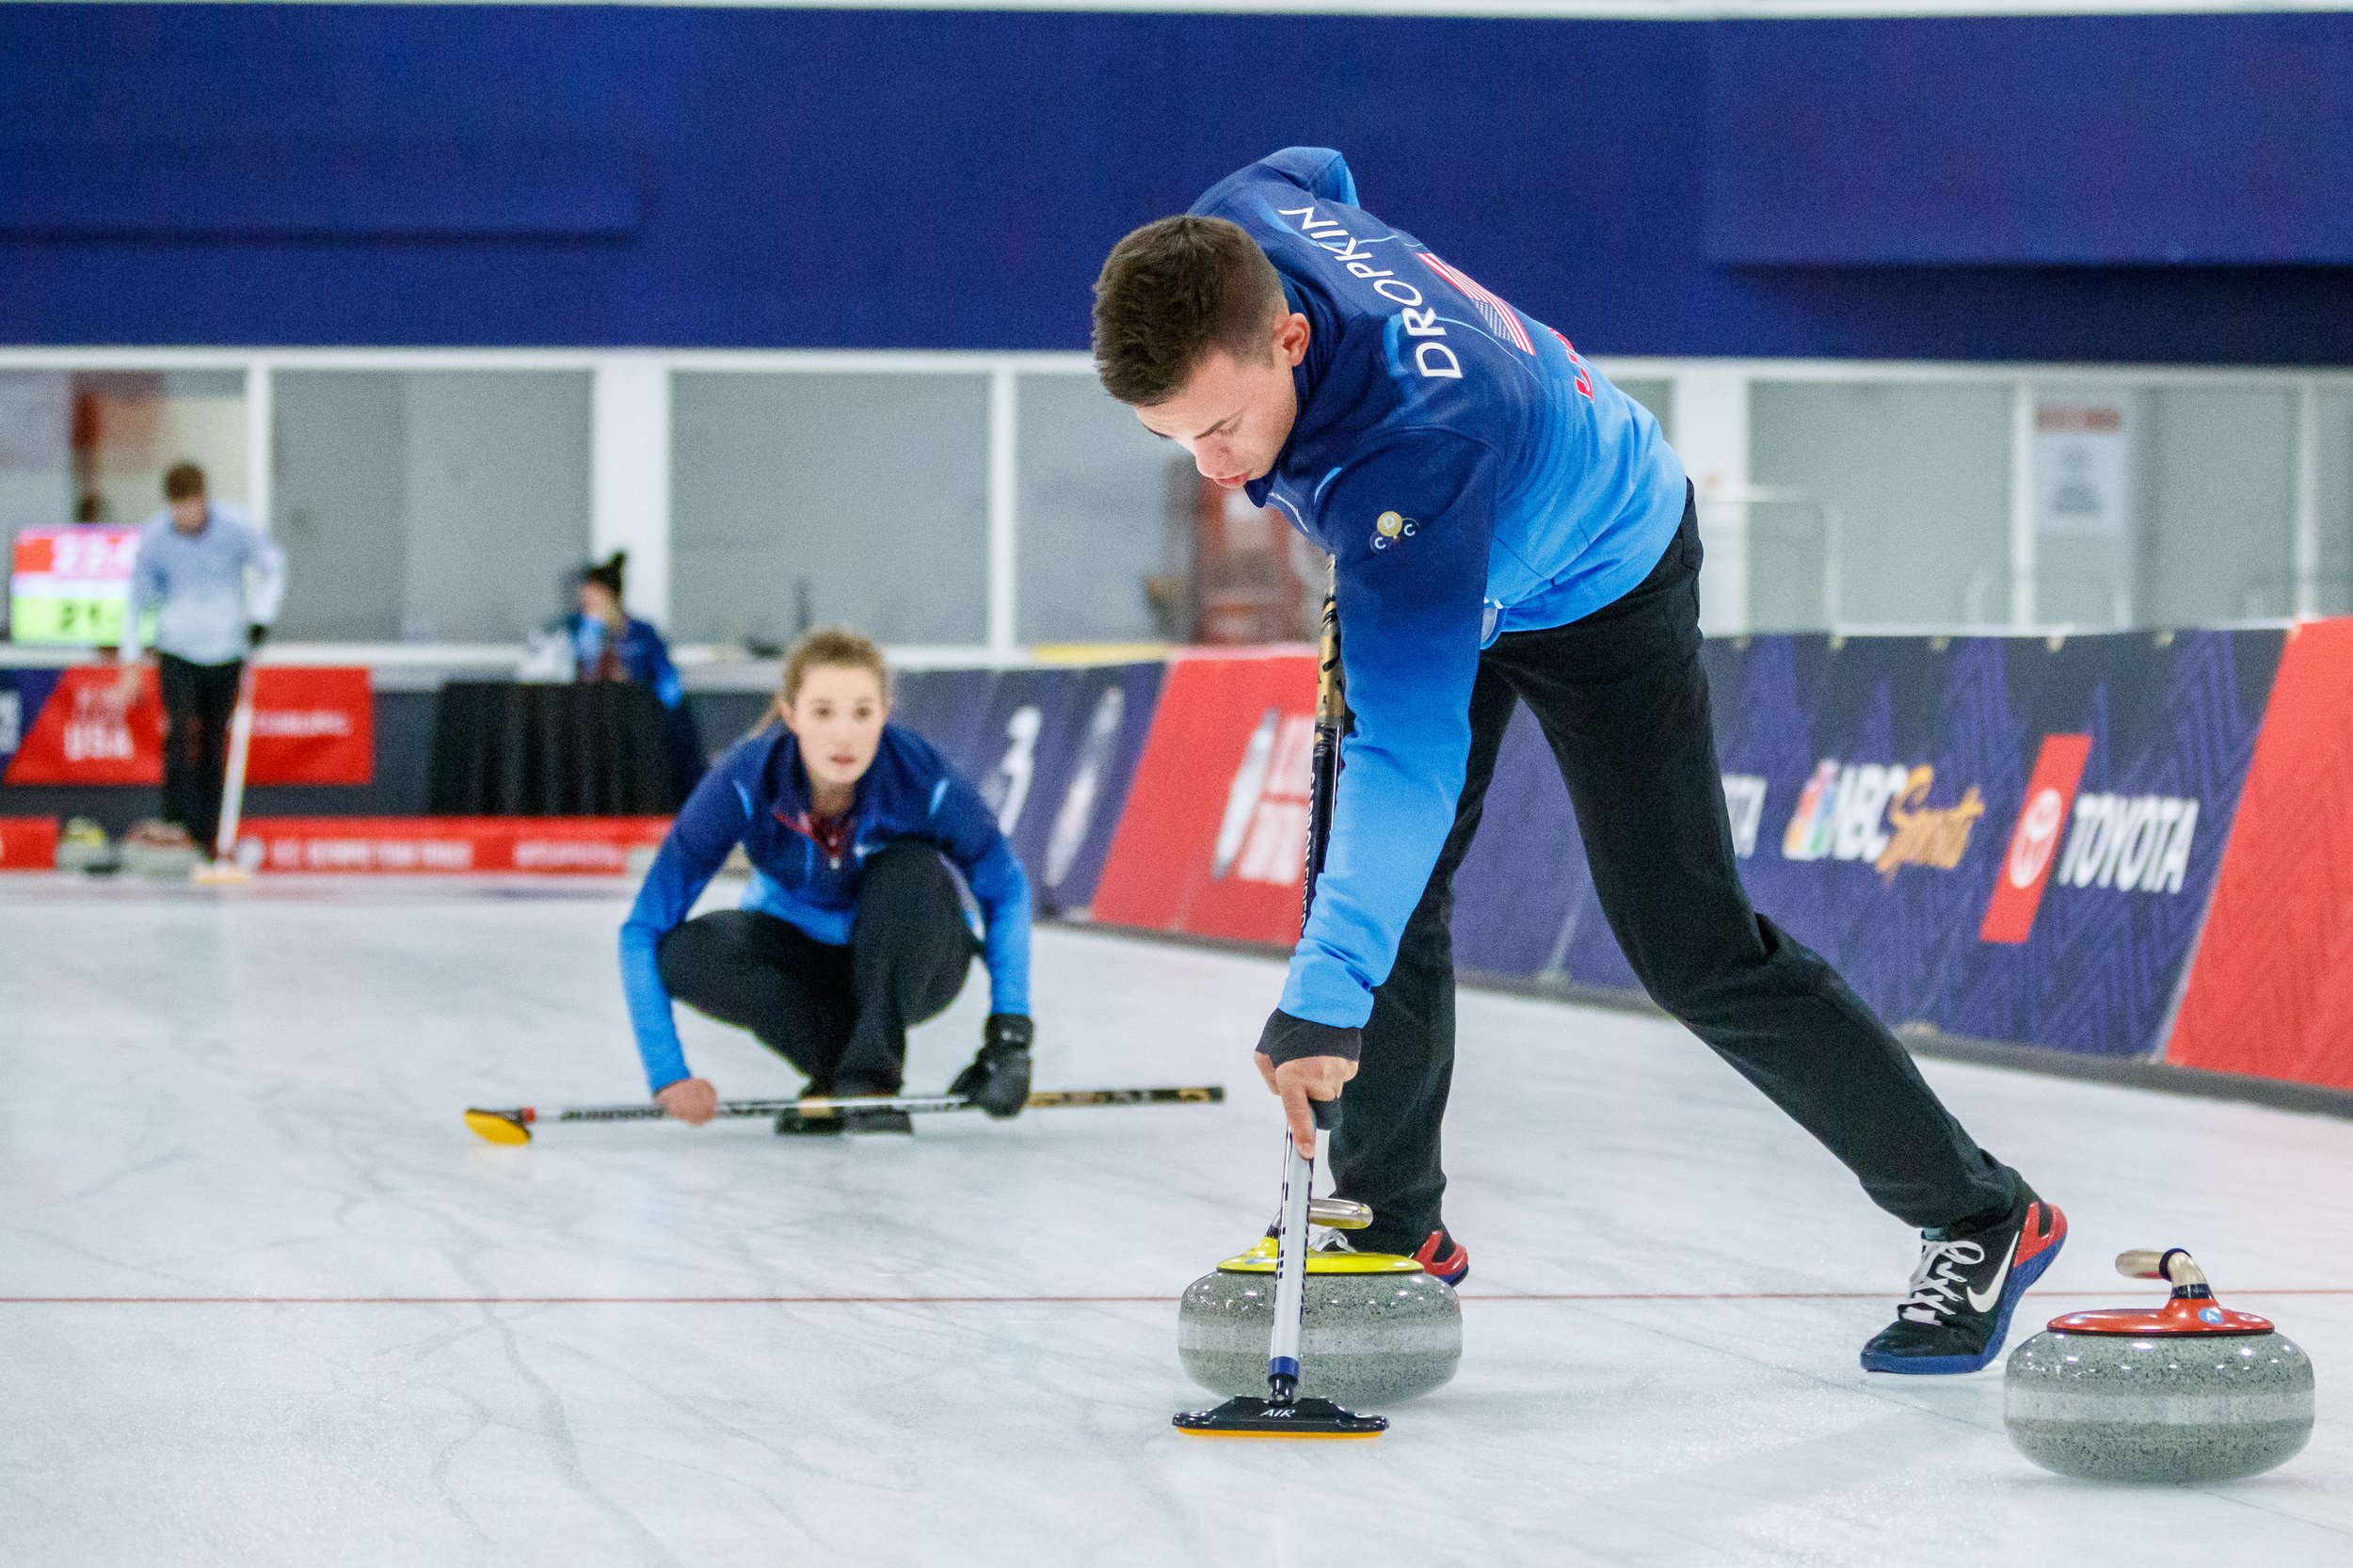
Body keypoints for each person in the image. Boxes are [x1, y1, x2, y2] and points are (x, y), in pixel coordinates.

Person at [1090, 148, 2067, 1374]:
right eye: (1176, 439)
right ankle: (1391, 1223)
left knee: (1688, 942)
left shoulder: (1406, 457)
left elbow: (1408, 759)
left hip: (1602, 566)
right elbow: (1314, 167)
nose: (1218, 473)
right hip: (1461, 550)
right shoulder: (1243, 218)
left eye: (1223, 428)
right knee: (1376, 882)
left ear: (1289, 338)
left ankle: (1983, 1211)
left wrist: (1324, 993)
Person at [618, 628, 1034, 1135]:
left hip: (914, 961)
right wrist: (668, 1074)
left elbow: (1006, 887)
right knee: (683, 952)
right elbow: (642, 928)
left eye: (862, 712)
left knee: (910, 871)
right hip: (808, 972)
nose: (844, 735)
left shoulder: (923, 777)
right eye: (822, 712)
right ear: (790, 715)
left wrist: (1009, 1034)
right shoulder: (744, 780)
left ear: (884, 713)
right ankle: (842, 1079)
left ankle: (868, 1082)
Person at [113, 461, 286, 856]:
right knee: (177, 736)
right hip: (177, 649)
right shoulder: (156, 536)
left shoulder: (236, 527)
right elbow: (135, 601)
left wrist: (261, 617)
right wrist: (130, 662)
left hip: (226, 651)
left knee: (212, 742)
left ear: (203, 500)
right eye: (177, 509)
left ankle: (209, 836)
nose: (184, 518)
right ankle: (174, 831)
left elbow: (275, 566)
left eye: (190, 507)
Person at [566, 551, 706, 805]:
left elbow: (669, 685)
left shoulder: (641, 634)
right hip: (585, 724)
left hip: (636, 727)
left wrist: (653, 705)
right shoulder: (573, 632)